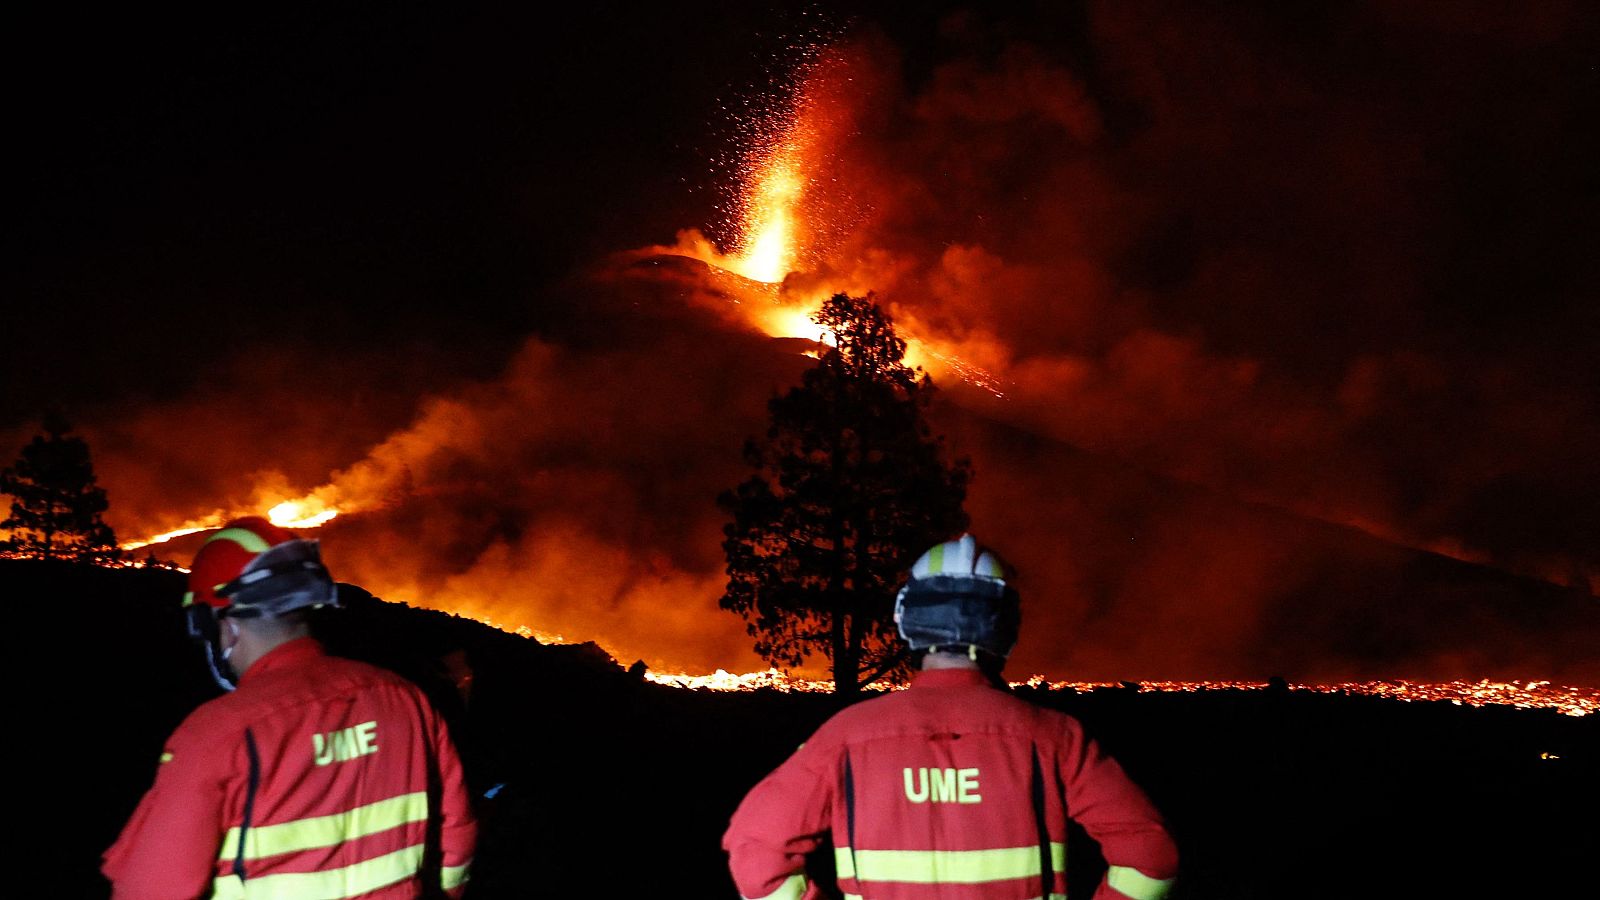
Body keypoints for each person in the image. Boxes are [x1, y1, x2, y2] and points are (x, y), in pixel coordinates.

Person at [723, 534, 1178, 900]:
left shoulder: (846, 736)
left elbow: (756, 857)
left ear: (906, 621)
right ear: (1006, 628)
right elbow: (1152, 857)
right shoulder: (1056, 737)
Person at [103, 517, 477, 899]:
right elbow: (456, 842)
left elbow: (150, 887)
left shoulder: (217, 734)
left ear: (225, 625)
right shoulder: (405, 699)